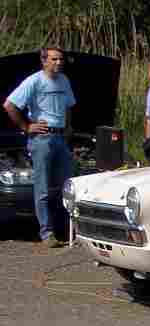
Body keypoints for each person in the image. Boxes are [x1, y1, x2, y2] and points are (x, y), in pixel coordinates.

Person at [4, 45, 75, 248]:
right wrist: (26, 126)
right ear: (44, 61)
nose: (58, 63)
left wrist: (69, 126)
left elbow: (69, 105)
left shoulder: (64, 80)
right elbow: (9, 105)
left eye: (60, 59)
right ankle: (47, 233)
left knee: (68, 186)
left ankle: (69, 230)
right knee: (42, 188)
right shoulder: (34, 81)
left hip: (61, 138)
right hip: (42, 139)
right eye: (54, 59)